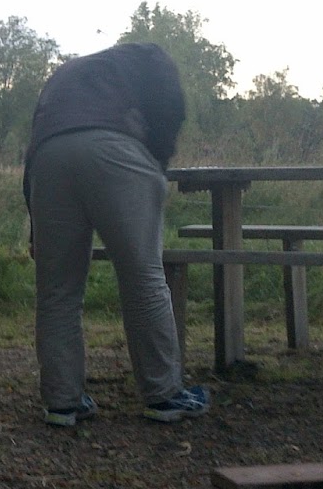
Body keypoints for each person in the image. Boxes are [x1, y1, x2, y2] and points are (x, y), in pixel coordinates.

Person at [22, 41, 210, 427]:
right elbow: (169, 110)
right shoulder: (152, 58)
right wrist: (158, 164)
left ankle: (62, 402)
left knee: (57, 290)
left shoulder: (67, 73)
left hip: (49, 157)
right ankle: (163, 394)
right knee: (143, 277)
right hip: (115, 150)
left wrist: (34, 223)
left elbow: (37, 137)